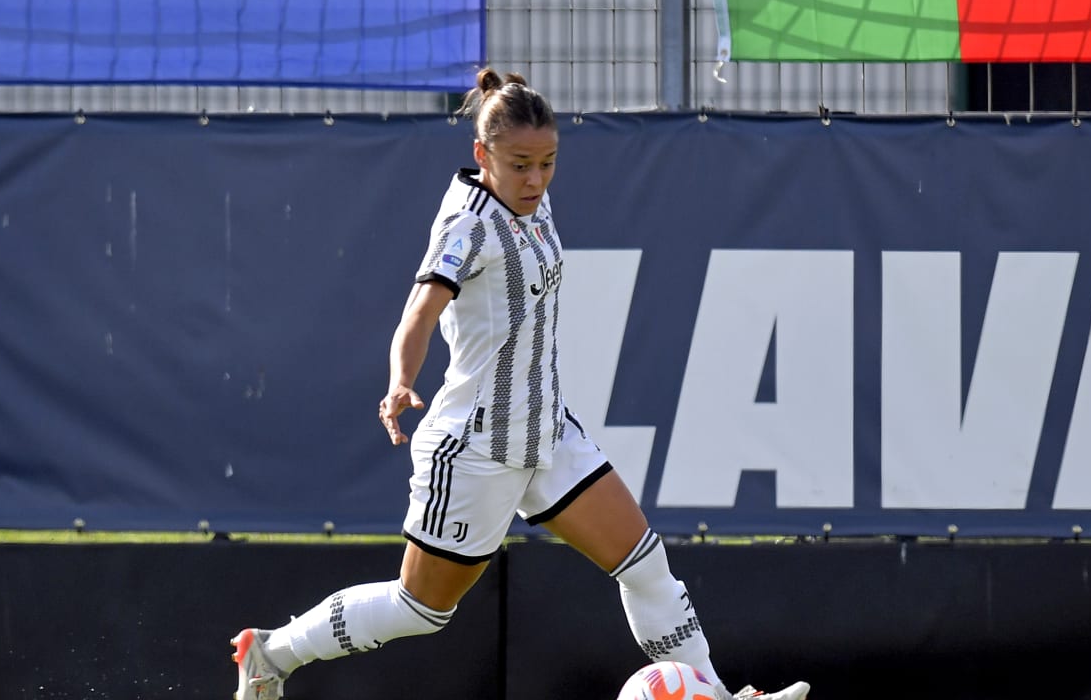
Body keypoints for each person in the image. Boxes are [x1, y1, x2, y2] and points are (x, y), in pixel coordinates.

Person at [230, 67, 810, 700]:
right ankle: (271, 654)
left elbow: (525, 164)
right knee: (420, 608)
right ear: (483, 156)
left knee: (645, 564)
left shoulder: (530, 197)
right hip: (477, 444)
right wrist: (400, 381)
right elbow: (417, 314)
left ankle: (718, 697)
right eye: (520, 165)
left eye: (548, 163)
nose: (535, 179)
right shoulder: (468, 228)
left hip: (547, 432)